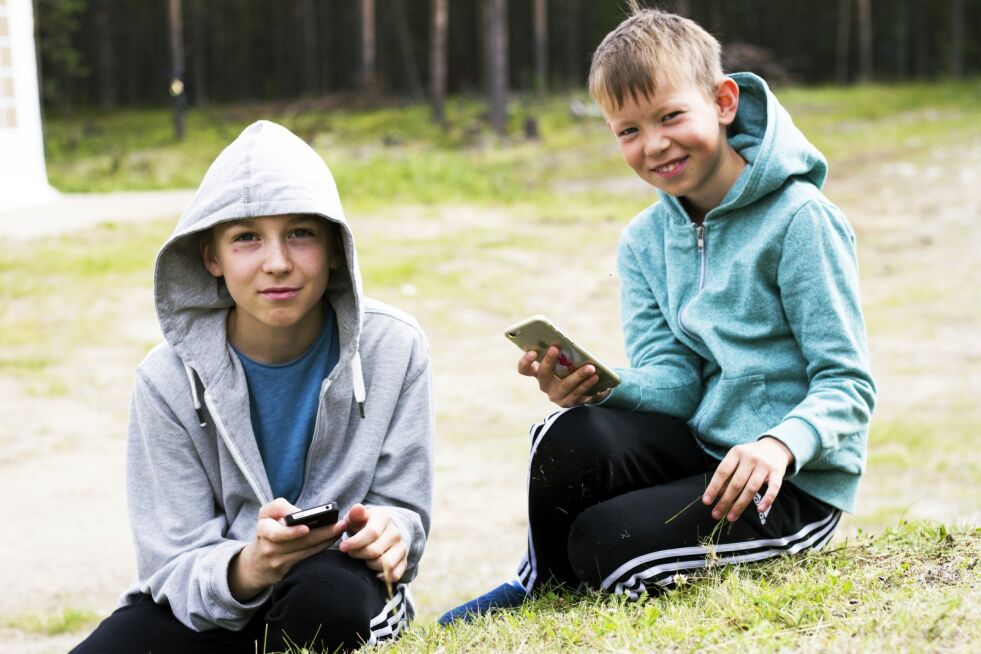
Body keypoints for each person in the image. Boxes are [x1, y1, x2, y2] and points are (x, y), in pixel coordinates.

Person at [440, 6, 875, 624]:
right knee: (567, 432)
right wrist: (599, 386)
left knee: (604, 545)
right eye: (628, 131)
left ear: (724, 101)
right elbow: (673, 382)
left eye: (671, 116)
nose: (654, 145)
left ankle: (572, 594)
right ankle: (541, 588)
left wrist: (779, 444)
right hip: (700, 447)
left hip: (787, 483)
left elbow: (847, 384)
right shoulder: (644, 240)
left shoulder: (802, 220)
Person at [71, 120, 434, 653]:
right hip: (222, 596)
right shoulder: (164, 381)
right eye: (246, 238)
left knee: (326, 601)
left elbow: (405, 508)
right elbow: (173, 561)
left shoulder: (394, 348)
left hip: (339, 589)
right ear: (210, 258)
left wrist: (391, 532)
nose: (277, 262)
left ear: (336, 246)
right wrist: (252, 565)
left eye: (300, 233)